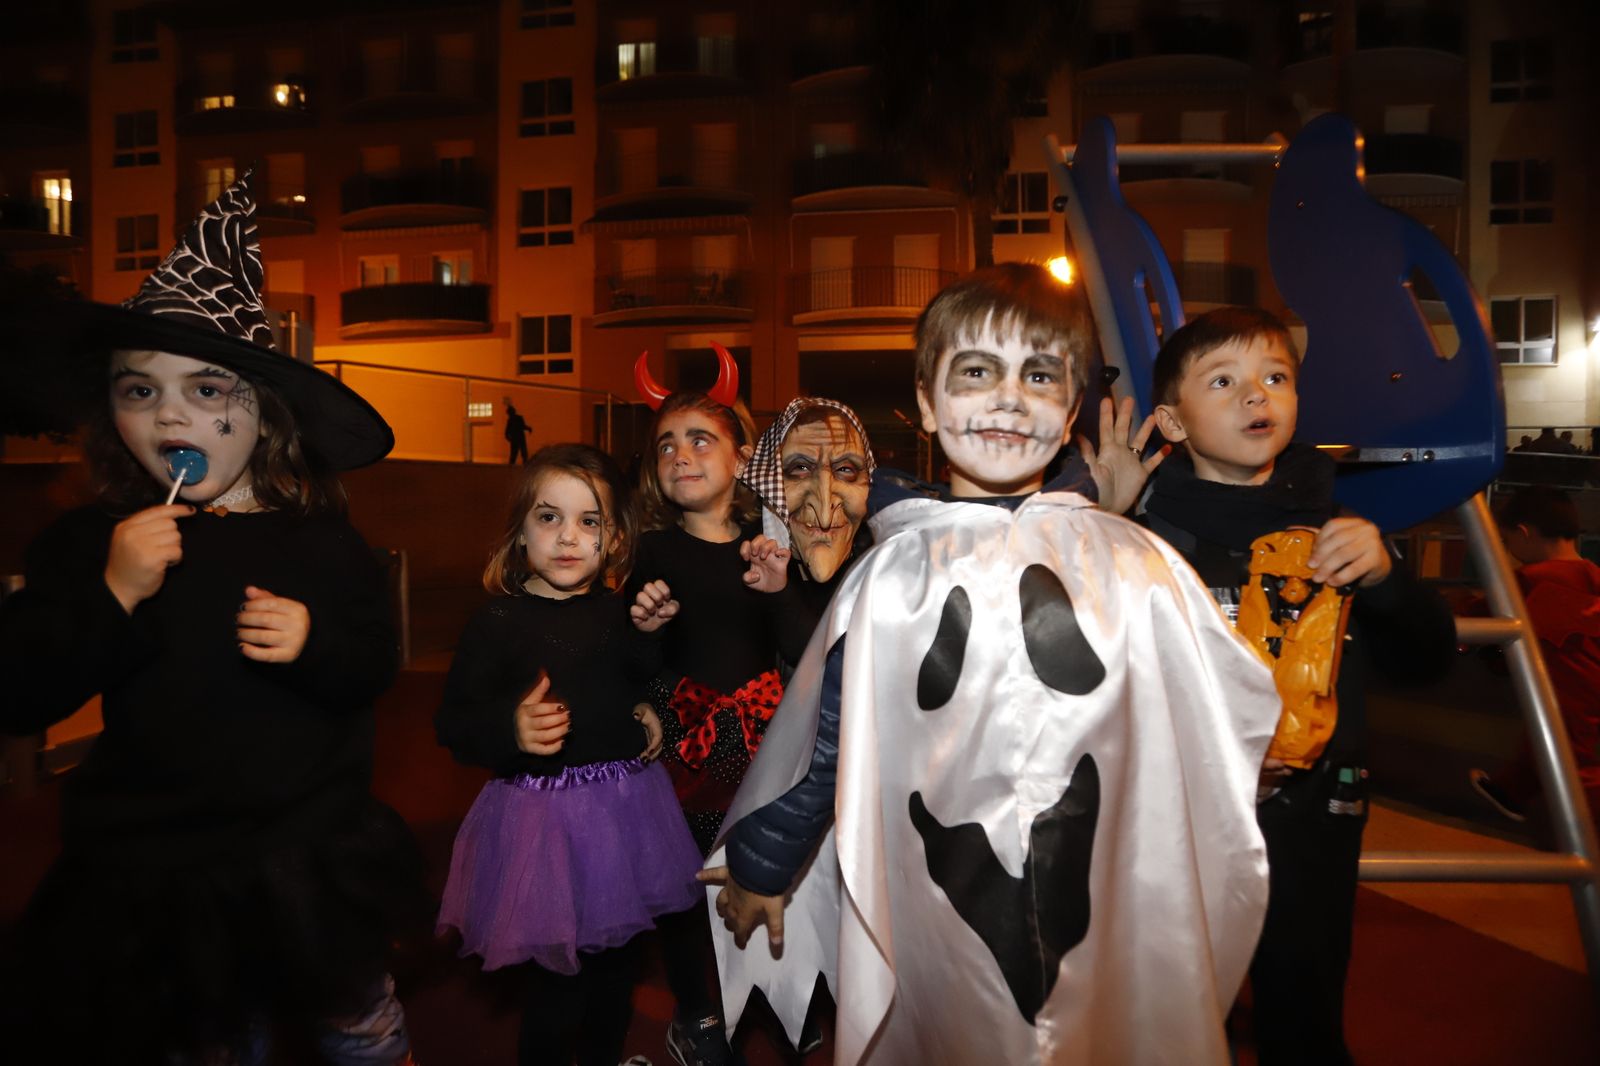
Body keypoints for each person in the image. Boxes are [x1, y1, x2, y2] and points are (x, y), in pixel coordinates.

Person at [702, 263, 1283, 1064]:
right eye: (978, 371)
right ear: (930, 403)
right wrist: (765, 859)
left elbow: (1212, 712)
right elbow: (835, 735)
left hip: (1102, 876)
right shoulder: (895, 572)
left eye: (1038, 374)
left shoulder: (1131, 564)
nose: (1010, 397)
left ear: (1070, 406)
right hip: (945, 890)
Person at [0, 175, 424, 1065]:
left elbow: (374, 662)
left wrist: (315, 645)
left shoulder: (322, 541)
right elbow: (18, 689)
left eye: (204, 387)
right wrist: (111, 594)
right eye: (139, 391)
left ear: (262, 410)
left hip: (306, 862)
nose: (170, 414)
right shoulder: (93, 542)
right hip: (160, 880)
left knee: (360, 1040)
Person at [1141, 305, 1456, 1066]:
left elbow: (1426, 661)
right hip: (1179, 821)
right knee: (1176, 1020)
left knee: (1305, 1014)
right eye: (1225, 381)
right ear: (1172, 422)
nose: (1258, 395)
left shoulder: (1340, 534)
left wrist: (1385, 582)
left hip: (1316, 815)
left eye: (1275, 377)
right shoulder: (1147, 544)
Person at [434, 443, 703, 1066]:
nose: (568, 537)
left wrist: (650, 689)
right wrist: (511, 727)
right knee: (560, 984)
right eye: (549, 517)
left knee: (617, 971)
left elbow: (637, 679)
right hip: (542, 826)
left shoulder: (617, 614)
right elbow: (453, 722)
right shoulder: (496, 621)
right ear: (520, 531)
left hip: (626, 815)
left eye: (590, 521)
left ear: (614, 540)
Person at [627, 346, 792, 1065]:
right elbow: (630, 659)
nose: (681, 454)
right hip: (686, 750)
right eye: (667, 442)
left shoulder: (769, 545)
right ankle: (696, 1013)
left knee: (767, 874)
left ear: (741, 456)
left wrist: (777, 592)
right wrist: (643, 627)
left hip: (763, 746)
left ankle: (778, 999)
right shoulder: (650, 549)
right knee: (688, 887)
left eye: (701, 439)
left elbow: (795, 650)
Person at [1470, 486, 1600, 831]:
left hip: (1570, 688)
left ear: (1524, 533)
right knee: (1553, 741)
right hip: (1587, 684)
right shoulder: (1594, 576)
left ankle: (1584, 842)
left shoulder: (1529, 582)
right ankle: (1510, 790)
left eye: (1507, 539)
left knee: (1575, 759)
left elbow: (1478, 619)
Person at [505, 397, 531, 464]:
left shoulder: (511, 420)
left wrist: (508, 437)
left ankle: (514, 464)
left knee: (517, 453)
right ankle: (523, 463)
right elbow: (523, 426)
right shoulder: (515, 419)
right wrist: (528, 428)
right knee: (520, 452)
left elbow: (507, 431)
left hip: (516, 439)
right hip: (519, 438)